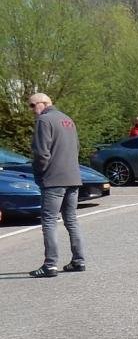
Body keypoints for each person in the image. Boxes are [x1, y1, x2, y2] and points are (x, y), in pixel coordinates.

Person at [27, 93, 88, 278]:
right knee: (71, 220)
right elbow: (76, 148)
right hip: (73, 177)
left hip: (53, 179)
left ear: (43, 103)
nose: (31, 110)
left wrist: (40, 172)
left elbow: (41, 153)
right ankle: (79, 260)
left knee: (49, 221)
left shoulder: (44, 120)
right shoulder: (67, 120)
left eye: (32, 106)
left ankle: (50, 265)